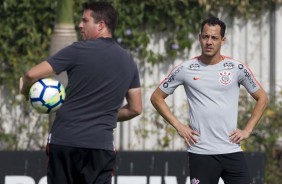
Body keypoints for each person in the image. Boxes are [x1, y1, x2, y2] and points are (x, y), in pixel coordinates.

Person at [20, 2, 142, 184]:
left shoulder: (77, 50)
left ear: (100, 25)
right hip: (101, 147)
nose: (80, 25)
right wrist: (104, 115)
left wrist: (25, 91)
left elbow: (30, 75)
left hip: (65, 142)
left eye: (85, 20)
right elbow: (135, 109)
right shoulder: (128, 61)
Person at [150, 16, 268, 184]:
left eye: (214, 37)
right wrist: (179, 126)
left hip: (231, 150)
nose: (209, 42)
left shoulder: (236, 68)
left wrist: (247, 130)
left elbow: (262, 98)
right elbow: (156, 97)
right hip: (201, 152)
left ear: (223, 40)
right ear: (200, 38)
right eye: (205, 37)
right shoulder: (185, 69)